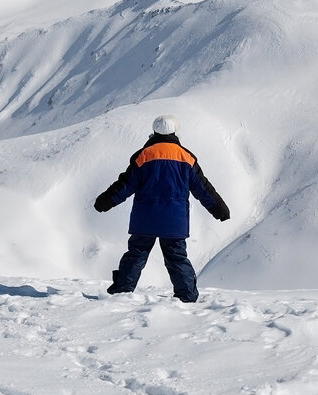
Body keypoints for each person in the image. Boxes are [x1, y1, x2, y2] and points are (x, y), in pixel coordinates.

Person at [94, 115, 230, 302]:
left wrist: (105, 201)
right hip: (174, 220)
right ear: (175, 131)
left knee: (136, 255)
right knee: (177, 257)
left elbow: (125, 185)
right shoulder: (186, 157)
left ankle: (121, 293)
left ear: (154, 131)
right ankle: (187, 297)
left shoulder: (144, 155)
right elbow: (203, 188)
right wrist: (219, 209)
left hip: (145, 218)